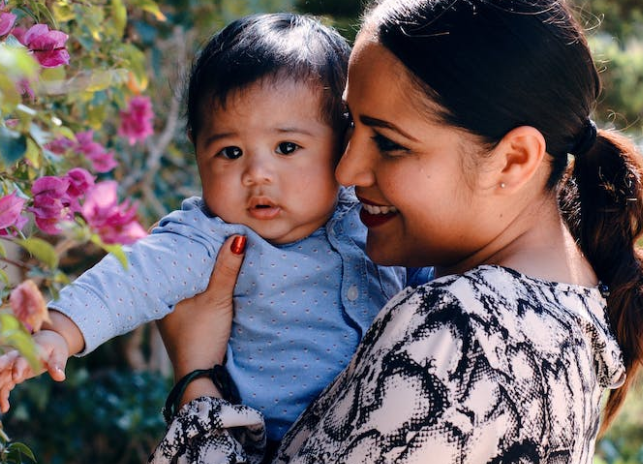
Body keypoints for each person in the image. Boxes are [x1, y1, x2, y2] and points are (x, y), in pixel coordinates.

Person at [148, 0, 643, 462]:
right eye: (349, 127)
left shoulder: (455, 330)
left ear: (513, 160)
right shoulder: (574, 311)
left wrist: (197, 378)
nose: (346, 171)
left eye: (388, 143)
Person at [0, 12, 421, 444]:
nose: (258, 173)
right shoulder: (208, 237)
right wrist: (59, 332)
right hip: (265, 442)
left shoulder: (373, 216)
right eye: (231, 151)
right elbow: (132, 277)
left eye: (287, 147)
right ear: (198, 152)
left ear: (343, 144)